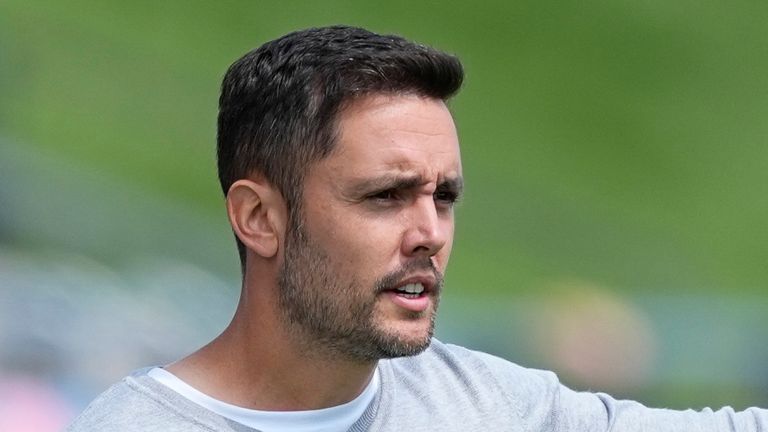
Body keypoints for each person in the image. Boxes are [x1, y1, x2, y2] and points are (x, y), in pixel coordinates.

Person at [67, 25, 766, 432]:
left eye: (446, 196)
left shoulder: (488, 408)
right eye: (386, 195)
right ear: (259, 218)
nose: (429, 231)